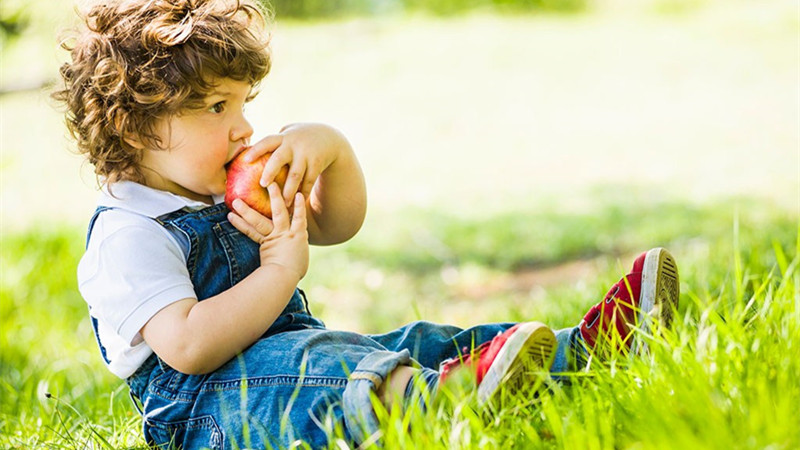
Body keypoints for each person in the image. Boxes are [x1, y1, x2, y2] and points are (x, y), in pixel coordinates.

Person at [54, 0, 681, 448]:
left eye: (245, 103)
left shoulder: (216, 179)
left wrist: (334, 150)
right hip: (215, 413)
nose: (244, 128)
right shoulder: (127, 237)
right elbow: (188, 347)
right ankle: (449, 404)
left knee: (409, 342)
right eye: (218, 107)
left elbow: (336, 225)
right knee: (326, 368)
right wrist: (279, 272)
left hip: (297, 361)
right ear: (136, 128)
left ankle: (583, 351)